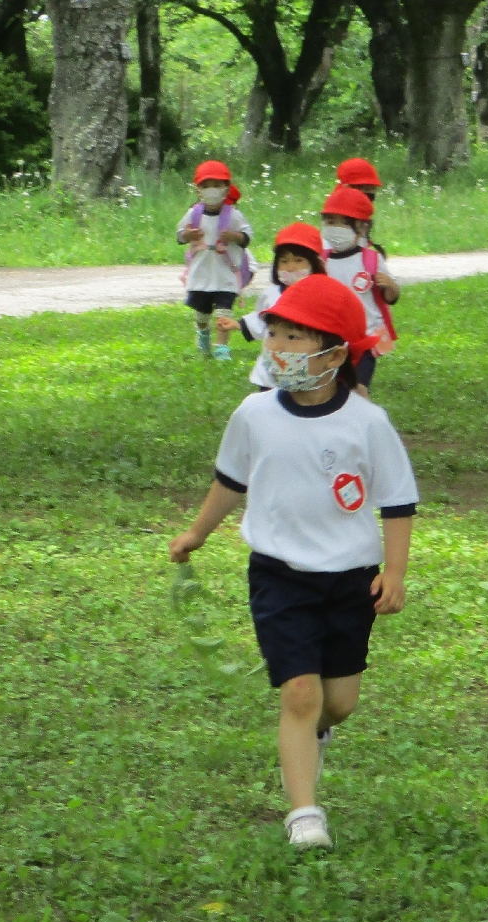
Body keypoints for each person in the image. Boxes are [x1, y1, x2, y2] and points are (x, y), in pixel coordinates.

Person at [169, 275, 418, 850]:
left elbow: (398, 501)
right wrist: (197, 532)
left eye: (294, 338)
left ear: (335, 355)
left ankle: (314, 734)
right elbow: (231, 481)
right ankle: (305, 814)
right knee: (300, 693)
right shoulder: (254, 414)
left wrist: (395, 571)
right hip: (279, 576)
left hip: (352, 578)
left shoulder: (367, 422)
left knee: (339, 703)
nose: (277, 348)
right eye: (274, 334)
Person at [218, 222, 328, 389]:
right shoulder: (271, 294)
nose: (290, 267)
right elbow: (261, 318)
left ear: (314, 264)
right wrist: (238, 324)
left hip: (307, 363)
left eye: (298, 260)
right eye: (284, 261)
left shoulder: (322, 295)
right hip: (272, 363)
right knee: (269, 395)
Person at [320, 187, 399, 392]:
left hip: (365, 339)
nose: (336, 228)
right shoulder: (321, 261)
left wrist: (390, 286)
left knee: (358, 388)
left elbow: (390, 297)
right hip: (331, 340)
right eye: (330, 222)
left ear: (362, 228)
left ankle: (361, 409)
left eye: (345, 223)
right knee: (330, 389)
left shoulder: (371, 259)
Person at [178, 160, 254, 361]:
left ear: (226, 189)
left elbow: (247, 236)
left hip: (225, 272)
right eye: (206, 185)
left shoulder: (234, 215)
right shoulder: (194, 213)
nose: (211, 190)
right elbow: (180, 234)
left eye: (217, 185)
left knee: (223, 311)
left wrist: (235, 236)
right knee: (202, 312)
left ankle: (221, 347)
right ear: (198, 190)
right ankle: (203, 334)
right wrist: (188, 235)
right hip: (202, 272)